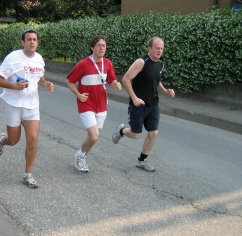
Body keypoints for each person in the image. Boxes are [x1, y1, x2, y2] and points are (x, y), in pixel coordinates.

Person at [0, 29, 54, 189]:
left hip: (32, 106)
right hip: (12, 104)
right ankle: (3, 140)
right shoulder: (13, 58)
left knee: (33, 139)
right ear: (22, 42)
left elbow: (39, 77)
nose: (32, 42)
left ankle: (28, 175)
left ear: (37, 42)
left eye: (34, 39)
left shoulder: (39, 59)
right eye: (29, 39)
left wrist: (45, 84)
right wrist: (14, 86)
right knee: (13, 140)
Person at [112, 37, 175, 172]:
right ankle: (121, 131)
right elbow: (126, 79)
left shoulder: (160, 64)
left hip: (153, 103)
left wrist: (166, 91)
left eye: (162, 48)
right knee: (136, 135)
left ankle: (142, 160)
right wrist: (134, 98)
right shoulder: (141, 62)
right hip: (138, 104)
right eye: (157, 48)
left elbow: (156, 81)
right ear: (149, 48)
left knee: (153, 132)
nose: (159, 51)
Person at [66, 36, 122, 173]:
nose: (102, 48)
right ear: (92, 47)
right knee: (94, 135)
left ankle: (82, 157)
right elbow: (69, 81)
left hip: (102, 104)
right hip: (86, 104)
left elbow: (111, 79)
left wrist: (116, 84)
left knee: (93, 138)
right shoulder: (83, 64)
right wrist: (79, 95)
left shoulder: (107, 63)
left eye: (104, 45)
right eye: (98, 45)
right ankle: (79, 156)